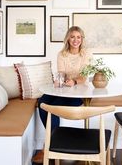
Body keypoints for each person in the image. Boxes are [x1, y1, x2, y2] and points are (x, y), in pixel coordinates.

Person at [32, 26, 92, 164]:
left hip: (80, 93)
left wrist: (75, 81)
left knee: (51, 108)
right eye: (72, 37)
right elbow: (62, 73)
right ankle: (54, 142)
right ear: (68, 39)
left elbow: (85, 76)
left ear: (82, 39)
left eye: (78, 37)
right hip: (64, 89)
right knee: (42, 102)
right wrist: (60, 80)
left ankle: (47, 147)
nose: (75, 40)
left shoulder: (86, 54)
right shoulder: (62, 54)